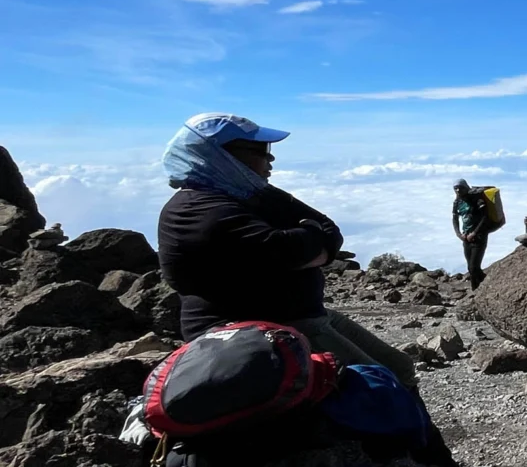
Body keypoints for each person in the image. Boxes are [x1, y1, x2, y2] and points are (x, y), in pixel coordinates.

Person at [156, 114, 419, 389]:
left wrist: (314, 241)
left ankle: (418, 431)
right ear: (222, 156)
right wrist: (313, 242)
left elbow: (329, 231)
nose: (270, 160)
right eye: (261, 151)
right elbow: (290, 251)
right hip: (257, 332)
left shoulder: (244, 196)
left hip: (303, 317)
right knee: (379, 388)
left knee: (398, 367)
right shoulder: (199, 211)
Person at [451, 179, 491, 288]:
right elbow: (454, 218)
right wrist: (459, 234)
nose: (458, 190)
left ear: (466, 187)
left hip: (479, 236)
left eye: (460, 187)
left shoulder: (477, 199)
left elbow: (485, 217)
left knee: (474, 267)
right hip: (466, 237)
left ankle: (478, 289)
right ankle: (481, 287)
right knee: (471, 268)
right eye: (455, 188)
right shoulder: (457, 202)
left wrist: (474, 233)